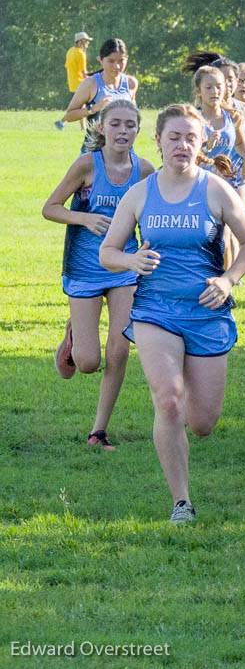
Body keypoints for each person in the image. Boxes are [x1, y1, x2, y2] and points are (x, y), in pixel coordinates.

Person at [98, 103, 245, 522]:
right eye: (174, 137)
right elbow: (108, 252)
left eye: (191, 137)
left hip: (207, 313)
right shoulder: (141, 192)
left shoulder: (215, 189)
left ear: (202, 142)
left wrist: (229, 280)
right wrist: (131, 262)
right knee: (168, 402)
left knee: (203, 422)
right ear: (158, 140)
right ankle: (181, 501)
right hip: (155, 311)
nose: (182, 145)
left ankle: (188, 398)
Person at [44, 100, 156, 448]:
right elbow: (50, 208)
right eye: (116, 124)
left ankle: (98, 431)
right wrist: (84, 218)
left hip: (124, 268)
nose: (123, 131)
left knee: (119, 351)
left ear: (138, 130)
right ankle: (74, 336)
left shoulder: (145, 170)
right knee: (88, 362)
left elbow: (154, 214)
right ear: (102, 128)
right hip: (84, 269)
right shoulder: (86, 166)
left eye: (130, 125)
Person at [193, 66, 245, 201]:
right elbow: (189, 154)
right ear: (199, 91)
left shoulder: (231, 116)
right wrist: (206, 147)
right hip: (200, 184)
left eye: (219, 86)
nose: (215, 91)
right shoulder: (193, 119)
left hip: (228, 182)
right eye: (208, 87)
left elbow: (239, 142)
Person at [60, 38, 138, 133]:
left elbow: (134, 117)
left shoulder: (131, 83)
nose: (117, 66)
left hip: (125, 146)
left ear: (127, 59)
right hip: (95, 147)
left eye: (121, 61)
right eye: (111, 61)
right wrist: (92, 109)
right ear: (100, 60)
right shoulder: (90, 84)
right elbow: (69, 116)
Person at [55, 32, 92, 130]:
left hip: (72, 84)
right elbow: (84, 72)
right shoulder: (81, 54)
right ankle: (61, 122)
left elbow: (68, 67)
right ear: (80, 42)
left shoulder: (70, 51)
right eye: (86, 41)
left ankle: (83, 128)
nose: (88, 43)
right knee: (81, 108)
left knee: (80, 107)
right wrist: (92, 81)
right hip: (80, 84)